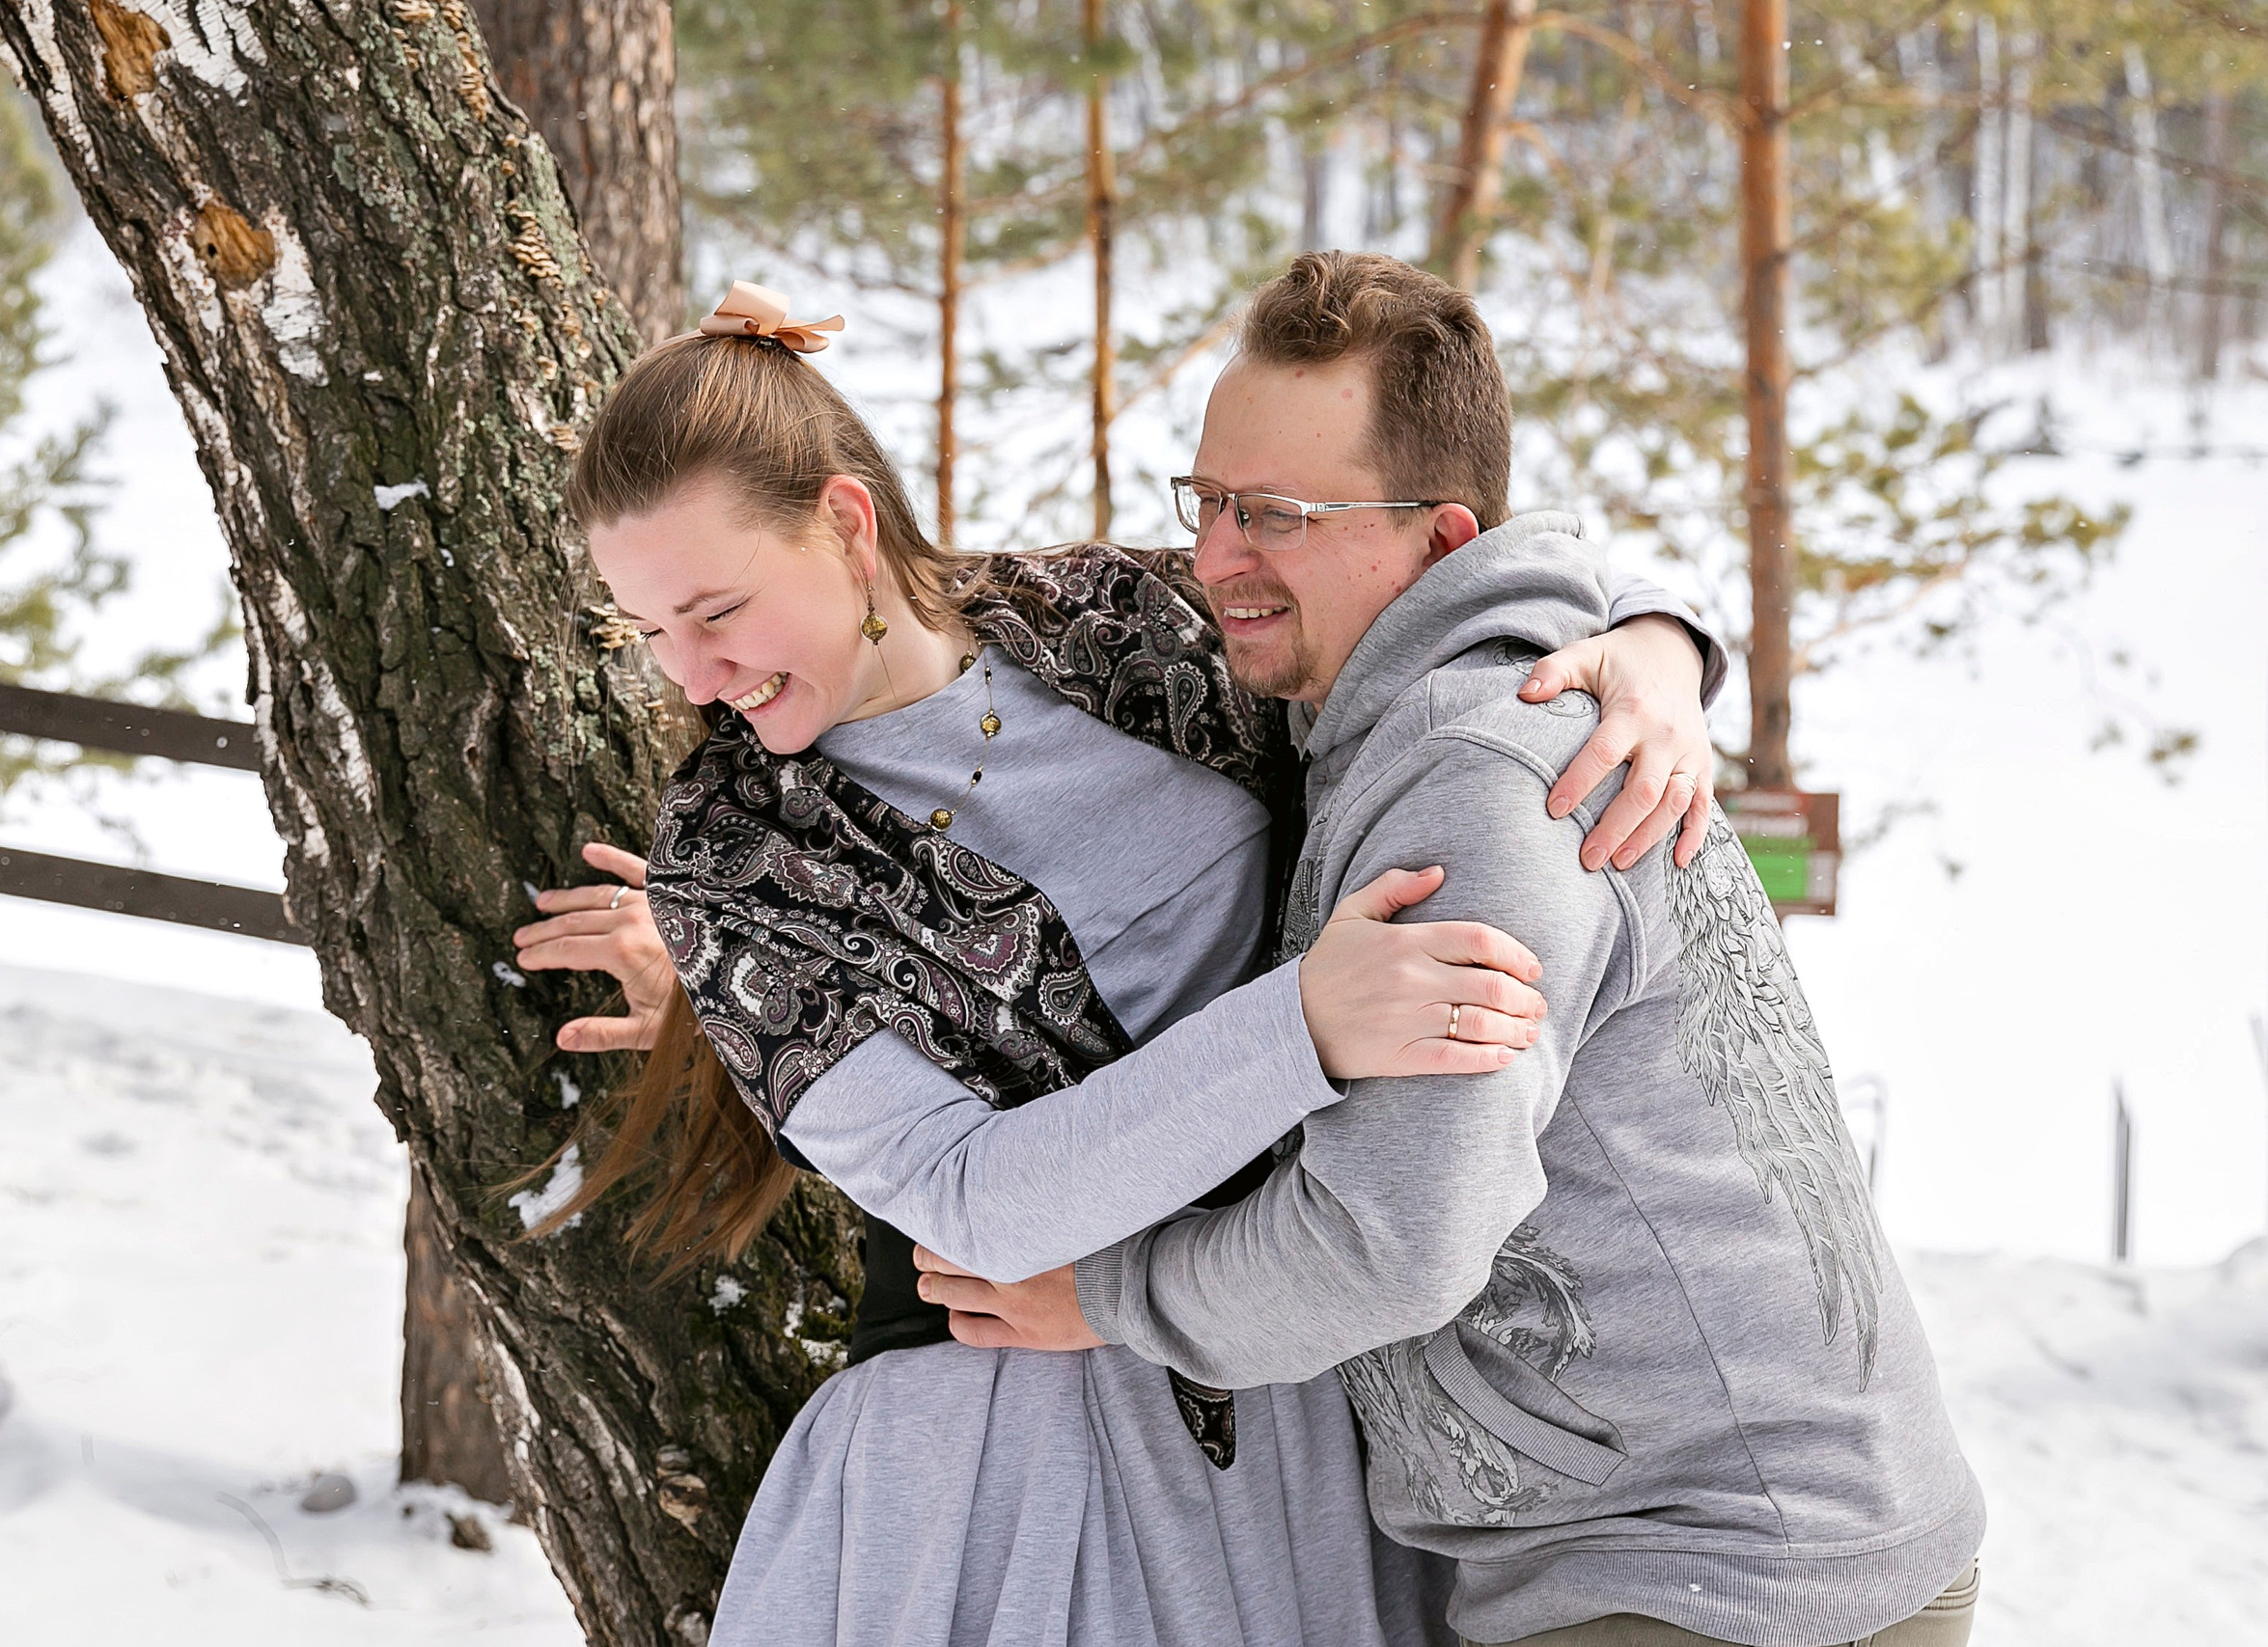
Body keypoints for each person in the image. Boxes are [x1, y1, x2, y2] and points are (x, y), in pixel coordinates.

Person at [511, 280, 1724, 1647]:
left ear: (846, 524)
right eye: (649, 633)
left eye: (715, 611)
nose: (690, 676)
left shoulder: (1108, 617)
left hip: (1299, 1379)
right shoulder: (730, 858)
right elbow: (969, 1198)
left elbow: (1413, 579)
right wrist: (1302, 1027)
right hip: (1000, 1451)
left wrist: (1654, 644)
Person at [919, 252, 1984, 1647]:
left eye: (1278, 514)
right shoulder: (1401, 702)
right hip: (1714, 1553)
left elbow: (1393, 1241)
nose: (1218, 558)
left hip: (1715, 1574)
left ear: (1440, 541)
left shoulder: (1480, 779)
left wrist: (1109, 1292)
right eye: (1210, 500)